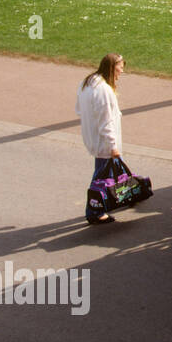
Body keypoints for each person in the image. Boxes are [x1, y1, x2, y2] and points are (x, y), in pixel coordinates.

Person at [75, 53, 125, 225]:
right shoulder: (104, 90)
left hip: (94, 137)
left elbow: (79, 110)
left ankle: (122, 195)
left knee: (111, 171)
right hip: (104, 142)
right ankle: (94, 211)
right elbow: (106, 122)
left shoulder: (86, 82)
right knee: (101, 177)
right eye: (120, 67)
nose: (122, 71)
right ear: (112, 67)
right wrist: (113, 146)